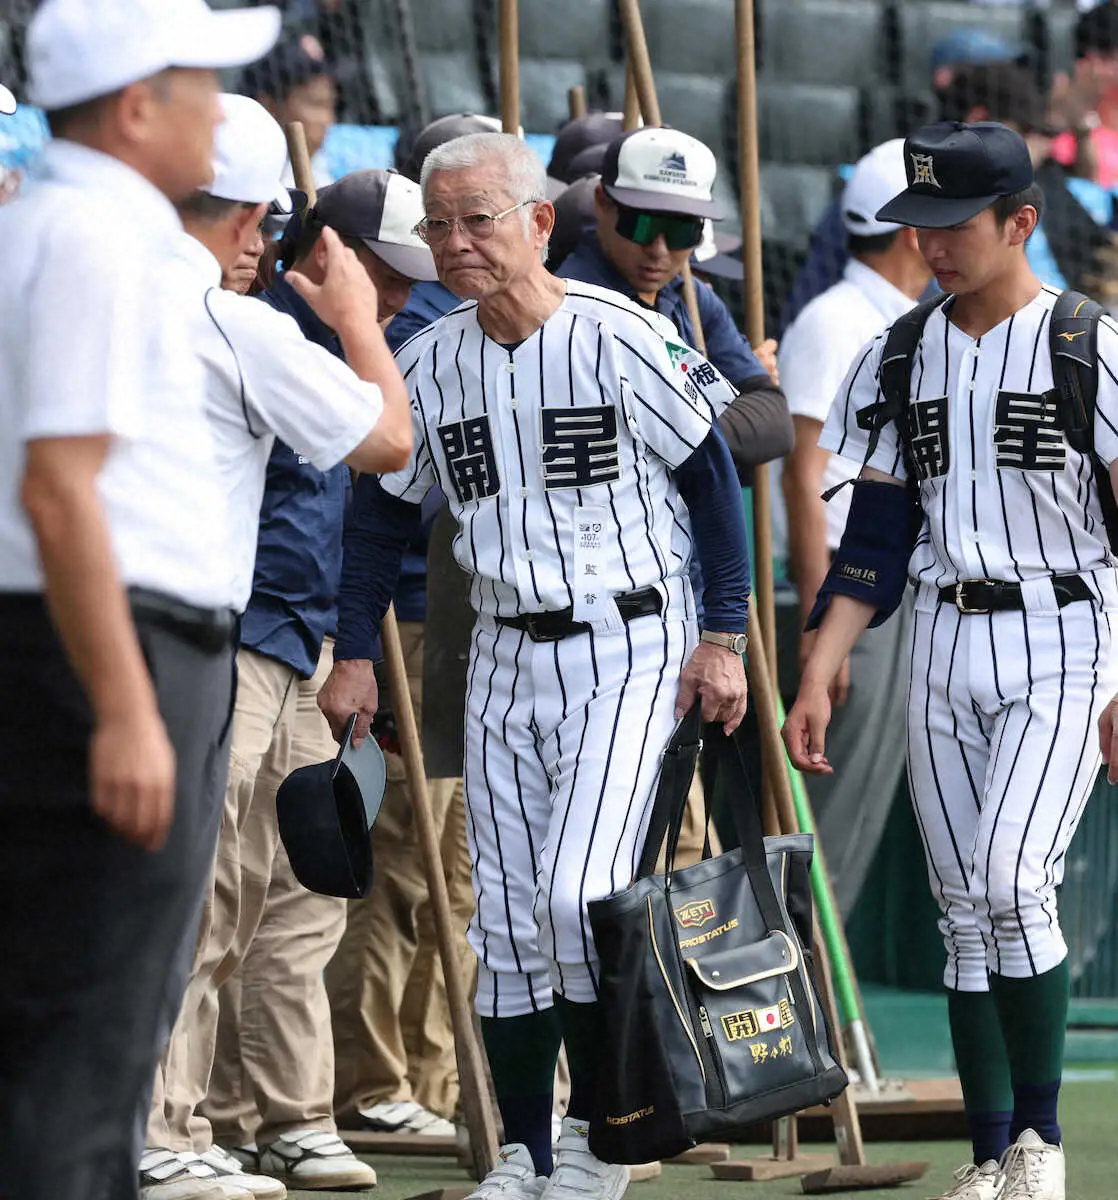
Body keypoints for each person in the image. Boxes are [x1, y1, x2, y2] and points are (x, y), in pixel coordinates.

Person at [317, 131, 751, 1200]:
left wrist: (726, 635)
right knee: (506, 926)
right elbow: (377, 514)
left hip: (630, 640)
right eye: (441, 225)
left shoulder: (623, 336)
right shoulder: (422, 358)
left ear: (539, 223)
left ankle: (607, 1145)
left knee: (576, 899)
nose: (458, 242)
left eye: (480, 219)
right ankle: (523, 1150)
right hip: (504, 651)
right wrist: (355, 646)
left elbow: (712, 487)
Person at [783, 121, 1118, 1200]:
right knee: (961, 906)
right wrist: (821, 663)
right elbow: (873, 534)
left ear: (1019, 221)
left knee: (1012, 881)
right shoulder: (896, 350)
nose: (928, 244)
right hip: (937, 631)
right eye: (915, 225)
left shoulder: (1087, 342)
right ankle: (986, 1154)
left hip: (1064, 632)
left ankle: (1037, 1142)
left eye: (952, 224)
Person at [0, 1, 281, 1197]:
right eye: (197, 84)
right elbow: (60, 492)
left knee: (58, 1032)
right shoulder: (95, 238)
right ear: (133, 106)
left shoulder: (46, 227)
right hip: (100, 649)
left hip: (63, 640)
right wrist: (126, 708)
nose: (216, 112)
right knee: (93, 1043)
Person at [144, 158, 425, 1200]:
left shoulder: (348, 349)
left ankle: (284, 1116)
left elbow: (366, 515)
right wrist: (356, 324)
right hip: (229, 638)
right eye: (380, 275)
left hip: (303, 647)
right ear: (321, 256)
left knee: (310, 888)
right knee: (213, 892)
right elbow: (384, 447)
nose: (396, 298)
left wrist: (351, 651)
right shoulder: (234, 326)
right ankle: (171, 1123)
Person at [775, 140, 932, 917]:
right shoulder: (838, 320)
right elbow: (802, 477)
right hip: (847, 590)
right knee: (828, 827)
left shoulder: (898, 318)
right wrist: (818, 627)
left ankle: (823, 1005)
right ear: (911, 231)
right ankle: (801, 1006)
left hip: (883, 587)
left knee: (862, 806)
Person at [556, 126, 791, 480]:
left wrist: (665, 433)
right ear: (602, 204)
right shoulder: (567, 306)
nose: (660, 250)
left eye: (682, 231)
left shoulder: (690, 295)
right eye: (642, 225)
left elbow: (773, 421)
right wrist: (710, 418)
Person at [242, 31, 337, 189]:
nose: (328, 120)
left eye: (330, 105)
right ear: (269, 105)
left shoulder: (320, 170)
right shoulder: (243, 177)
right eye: (316, 104)